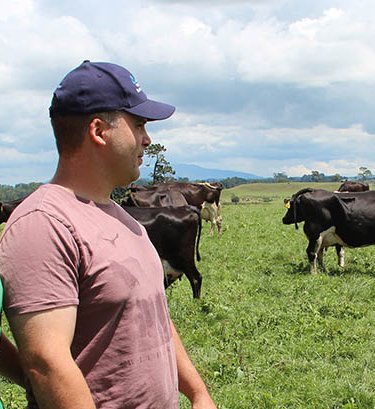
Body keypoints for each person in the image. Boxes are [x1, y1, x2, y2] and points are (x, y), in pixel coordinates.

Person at [0, 61, 216, 408]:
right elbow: (46, 364)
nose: (147, 139)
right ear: (99, 131)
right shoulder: (45, 224)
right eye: (139, 124)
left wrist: (197, 392)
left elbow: (154, 316)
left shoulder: (124, 220)